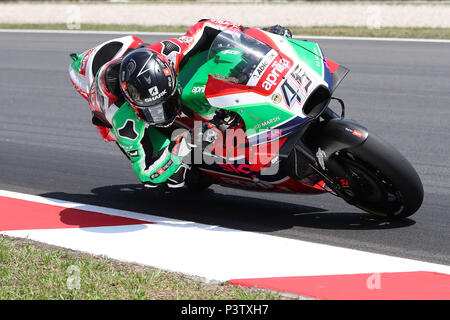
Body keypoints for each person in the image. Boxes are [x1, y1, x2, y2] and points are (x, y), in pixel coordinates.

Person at [68, 19, 292, 189]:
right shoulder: (123, 119)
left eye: (166, 101)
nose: (164, 111)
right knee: (174, 176)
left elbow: (206, 26)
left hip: (136, 60)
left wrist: (260, 35)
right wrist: (181, 149)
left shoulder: (169, 51)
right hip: (105, 95)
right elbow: (146, 173)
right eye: (155, 108)